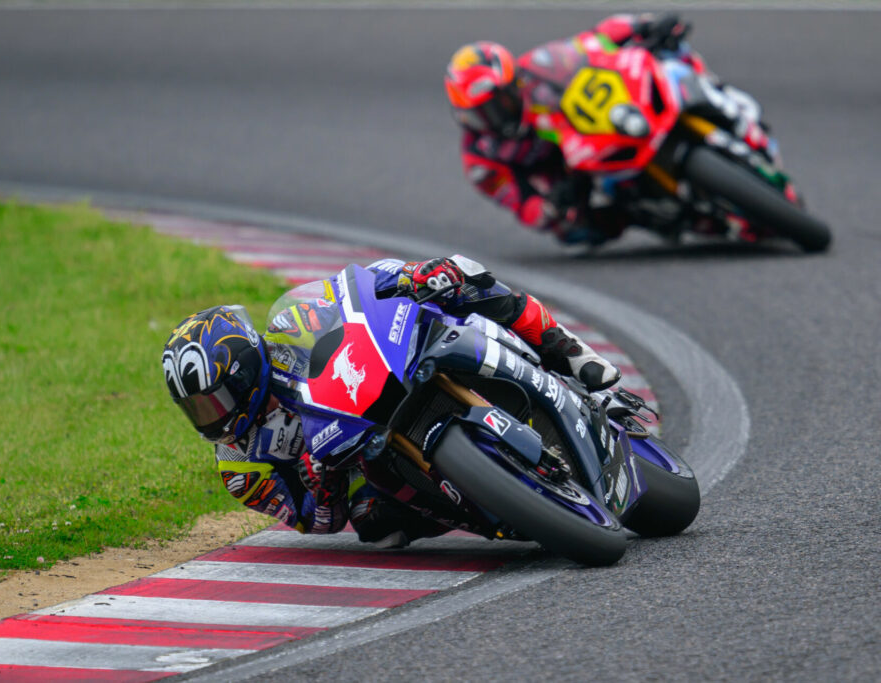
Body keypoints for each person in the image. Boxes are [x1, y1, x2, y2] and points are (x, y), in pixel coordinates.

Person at [162, 255, 620, 548]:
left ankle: (568, 352)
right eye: (196, 409)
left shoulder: (290, 321)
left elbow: (354, 291)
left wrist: (409, 277)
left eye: (214, 399)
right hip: (360, 462)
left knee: (461, 277)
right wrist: (318, 481)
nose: (211, 416)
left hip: (391, 370)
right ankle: (489, 506)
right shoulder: (241, 467)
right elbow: (317, 522)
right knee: (376, 526)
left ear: (243, 370)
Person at [444, 13, 709, 245]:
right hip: (566, 176)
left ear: (514, 83)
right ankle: (660, 218)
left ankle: (712, 105)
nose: (490, 118)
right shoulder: (479, 159)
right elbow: (522, 206)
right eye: (476, 114)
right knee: (573, 231)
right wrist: (550, 206)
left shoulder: (538, 68)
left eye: (495, 105)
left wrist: (640, 25)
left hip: (595, 128)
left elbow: (591, 41)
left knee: (666, 63)